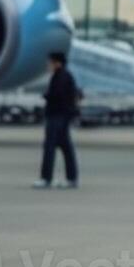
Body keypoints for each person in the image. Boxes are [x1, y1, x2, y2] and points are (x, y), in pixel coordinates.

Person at [33, 51, 82, 189]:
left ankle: (46, 178)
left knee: (50, 147)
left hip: (57, 116)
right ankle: (72, 178)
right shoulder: (66, 75)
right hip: (64, 116)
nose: (48, 65)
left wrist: (46, 96)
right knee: (66, 148)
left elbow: (57, 95)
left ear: (57, 63)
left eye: (50, 62)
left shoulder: (60, 76)